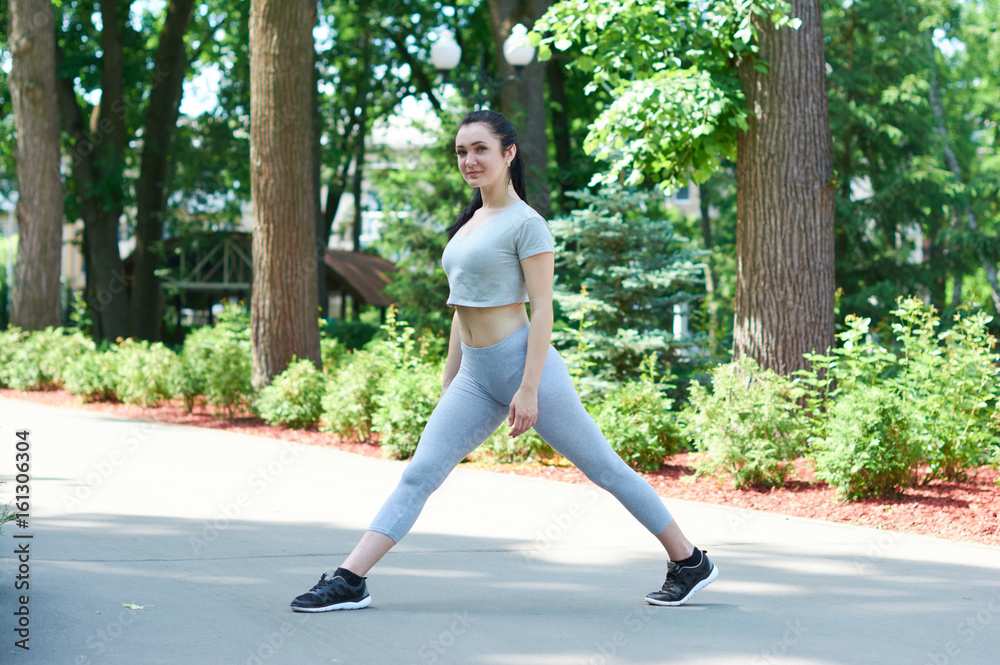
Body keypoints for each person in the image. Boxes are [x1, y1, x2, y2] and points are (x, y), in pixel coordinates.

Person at [289, 110, 717, 613]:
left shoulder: (526, 223)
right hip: (475, 373)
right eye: (462, 151)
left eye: (480, 149)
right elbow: (460, 306)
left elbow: (543, 311)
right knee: (419, 474)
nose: (469, 160)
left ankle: (689, 561)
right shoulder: (471, 221)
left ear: (508, 154)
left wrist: (529, 387)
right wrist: (451, 377)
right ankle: (349, 579)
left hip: (521, 366)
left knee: (604, 468)